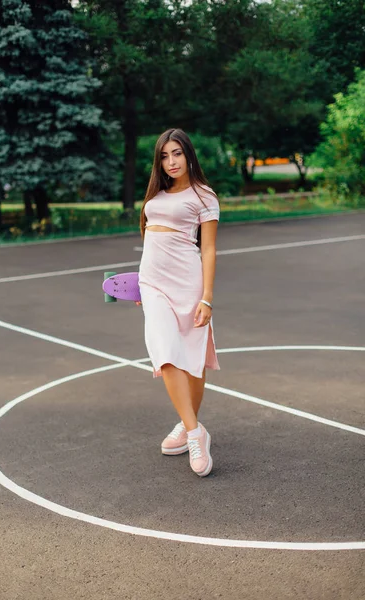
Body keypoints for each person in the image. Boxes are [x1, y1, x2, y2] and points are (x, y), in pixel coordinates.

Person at [136, 128, 220, 477]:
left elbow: (210, 248)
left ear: (188, 155)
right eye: (164, 156)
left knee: (192, 358)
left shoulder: (204, 196)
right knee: (165, 352)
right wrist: (142, 286)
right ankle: (196, 432)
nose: (171, 162)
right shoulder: (156, 194)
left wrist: (207, 298)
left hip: (188, 284)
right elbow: (149, 236)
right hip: (152, 284)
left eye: (177, 154)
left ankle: (186, 426)